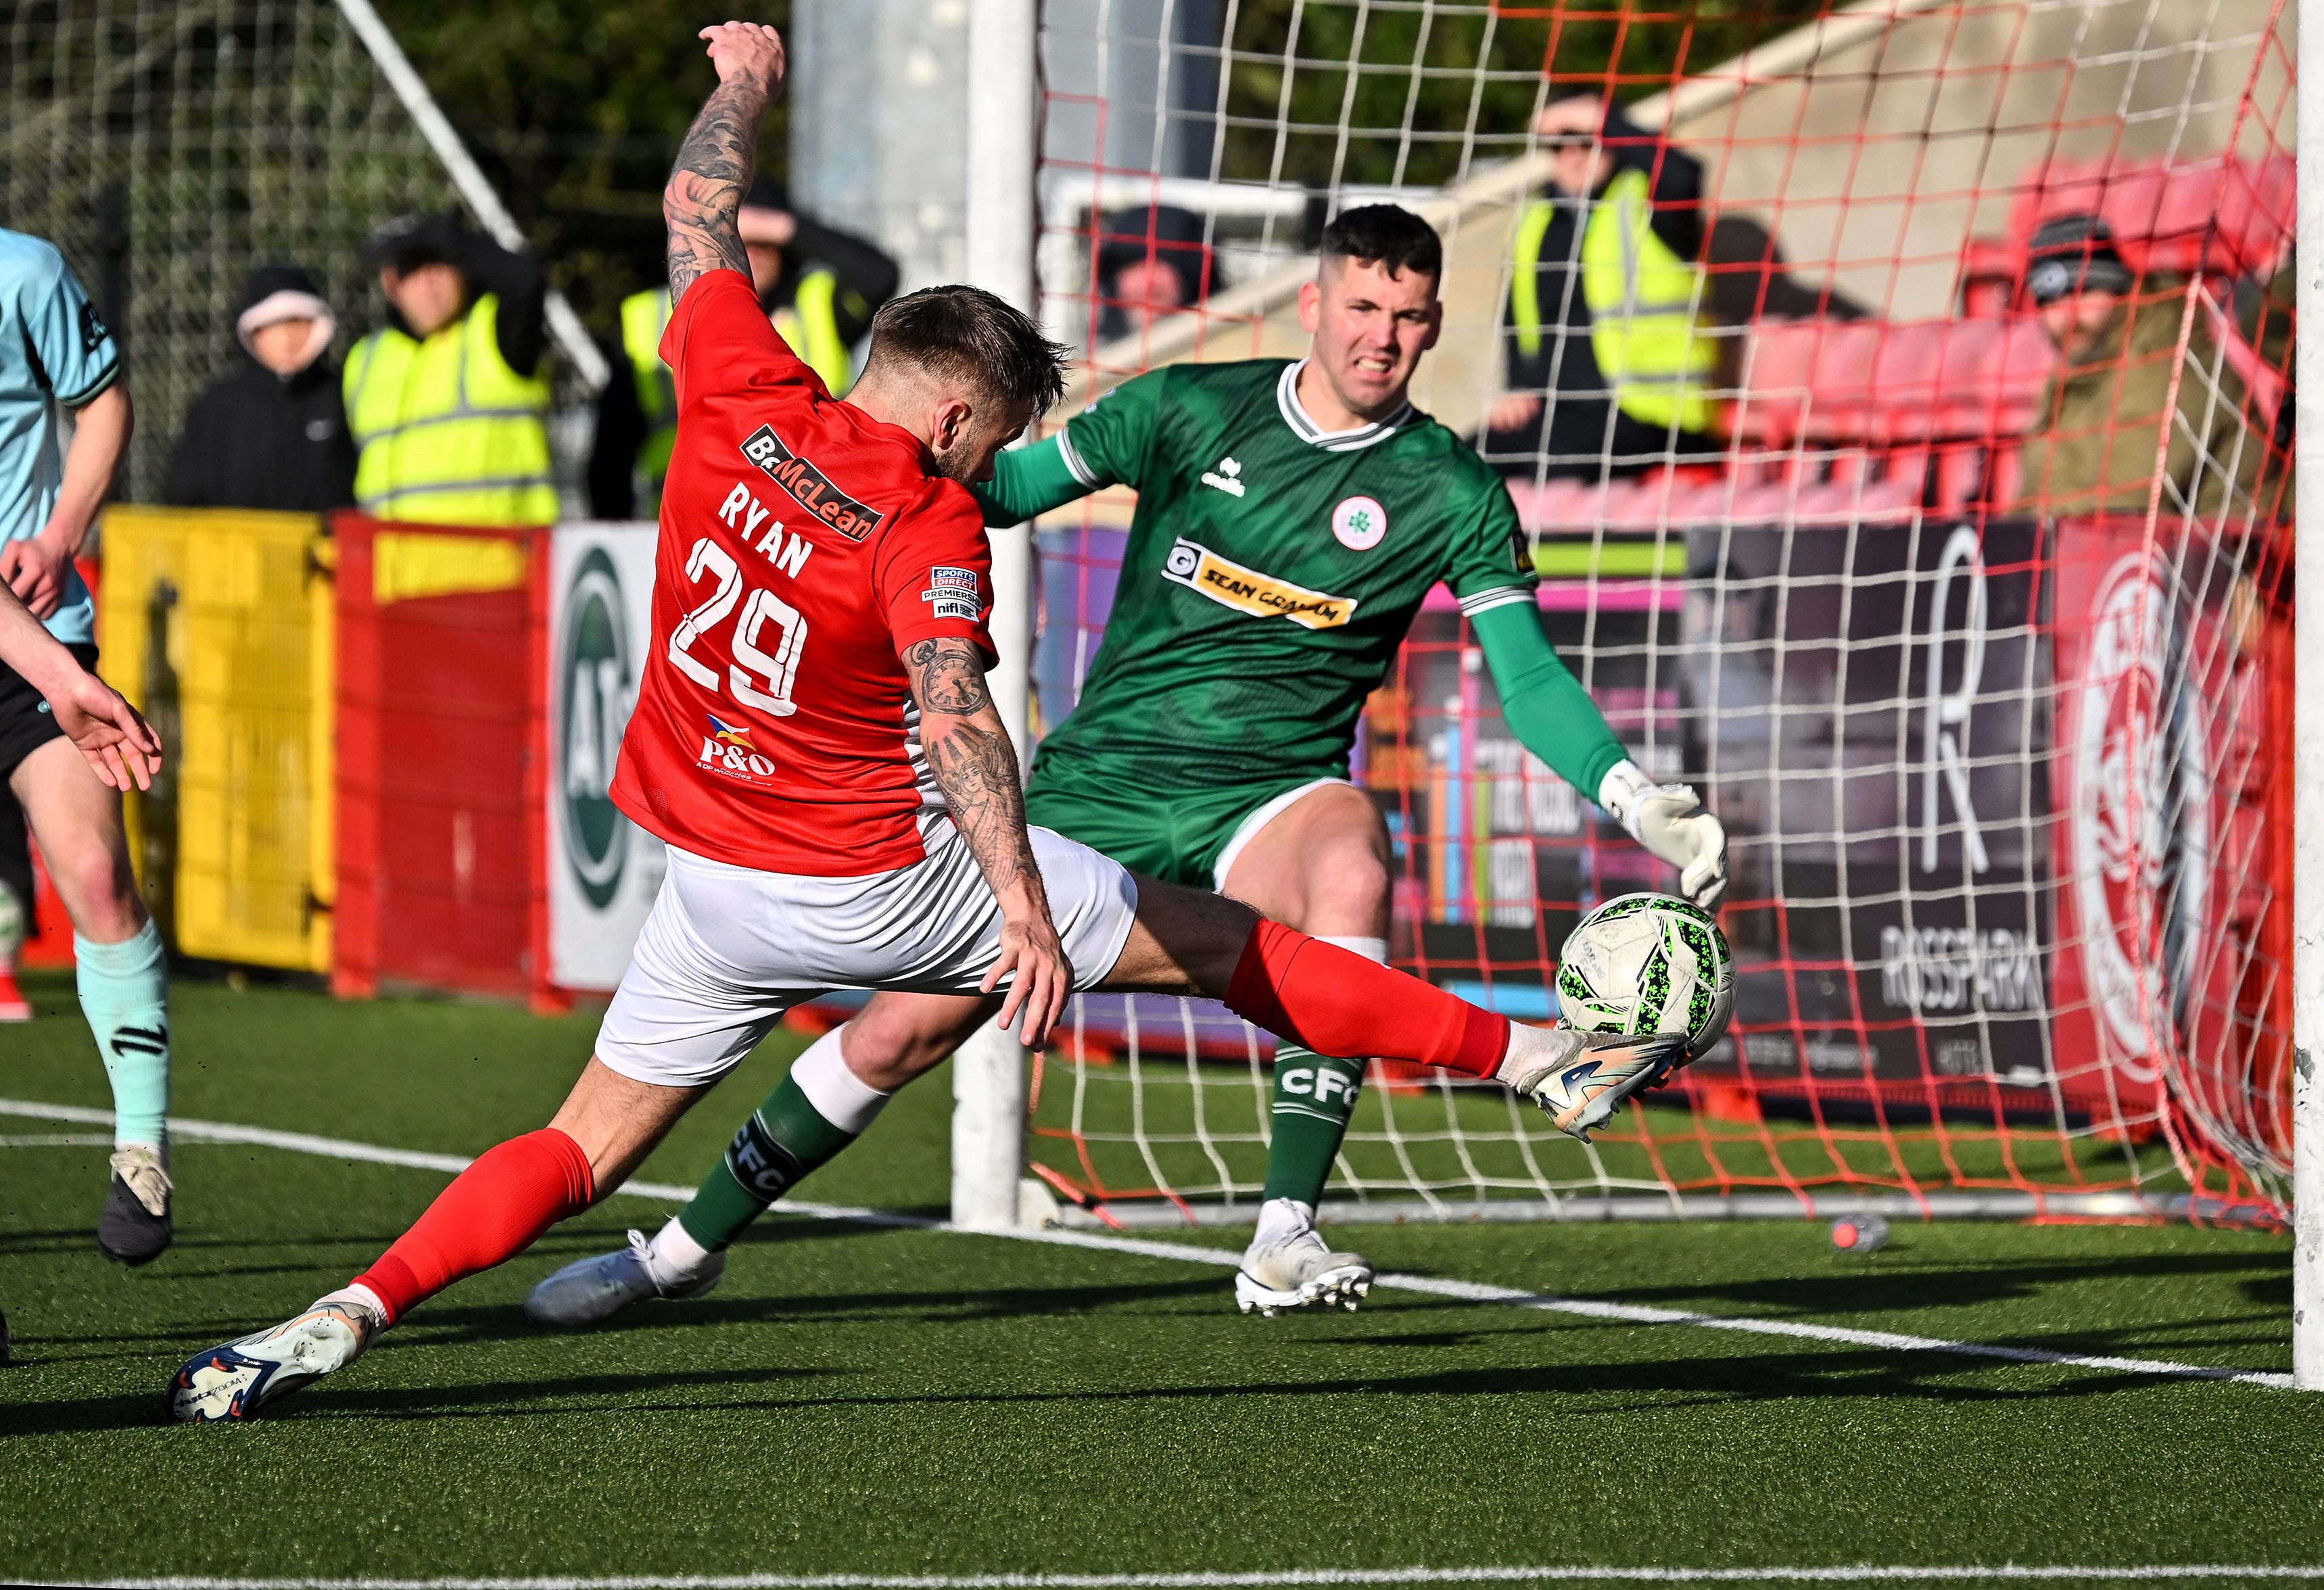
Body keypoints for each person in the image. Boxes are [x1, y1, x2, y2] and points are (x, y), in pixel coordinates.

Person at [165, 20, 1686, 1424]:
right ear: (958, 425)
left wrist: (748, 78)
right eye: (998, 437)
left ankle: (346, 1310)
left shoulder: (736, 385)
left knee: (571, 1152)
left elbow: (696, 215)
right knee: (1233, 950)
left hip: (708, 890)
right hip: (877, 875)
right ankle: (1532, 1060)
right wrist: (1021, 909)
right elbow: (958, 721)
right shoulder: (927, 529)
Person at [525, 201, 1732, 1330]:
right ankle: (677, 1253)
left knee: (1351, 863)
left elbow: (1522, 677)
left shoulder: (1452, 489)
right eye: (1362, 308)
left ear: (1434, 324)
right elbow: (992, 483)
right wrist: (847, 467)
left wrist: (1630, 794)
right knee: (901, 1034)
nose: (1384, 337)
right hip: (1102, 778)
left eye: (1410, 317)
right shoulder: (1188, 408)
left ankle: (1283, 1231)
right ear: (1310, 306)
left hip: (1273, 791)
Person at [0, 228, 176, 1262]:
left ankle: (142, 1148)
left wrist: (60, 534)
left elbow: (103, 399)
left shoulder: (24, 271)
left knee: (98, 873)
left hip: (34, 633)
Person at [589, 176, 899, 521]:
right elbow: (611, 455)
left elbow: (880, 274)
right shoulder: (650, 317)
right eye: (737, 240)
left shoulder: (816, 304)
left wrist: (783, 225)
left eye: (766, 242)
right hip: (691, 526)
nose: (755, 253)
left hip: (804, 531)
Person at [1484, 94, 1724, 480]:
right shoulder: (1537, 220)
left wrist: (1601, 115)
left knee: (1545, 464)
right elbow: (1519, 317)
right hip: (1560, 415)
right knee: (1458, 462)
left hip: (1655, 415)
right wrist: (1518, 388)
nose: (1574, 155)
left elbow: (1685, 173)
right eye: (1561, 145)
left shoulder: (1646, 203)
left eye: (1587, 141)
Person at [2012, 212, 2283, 521]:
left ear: (2118, 289)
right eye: (2051, 302)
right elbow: (2034, 502)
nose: (2069, 315)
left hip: (2223, 560)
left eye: (2083, 292)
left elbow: (2125, 508)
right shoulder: (2076, 375)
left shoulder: (2168, 362)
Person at [346, 211, 555, 525]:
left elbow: (525, 281)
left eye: (440, 267)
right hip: (394, 568)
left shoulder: (494, 334)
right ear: (391, 285)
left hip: (497, 565)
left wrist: (452, 236)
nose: (429, 284)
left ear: (464, 272)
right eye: (413, 272)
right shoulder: (364, 359)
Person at [163, 264, 358, 513]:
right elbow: (183, 496)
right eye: (273, 324)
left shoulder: (343, 396)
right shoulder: (216, 407)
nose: (287, 337)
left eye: (297, 322)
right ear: (253, 331)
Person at [1091, 203, 1219, 344]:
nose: (1147, 283)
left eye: (1160, 262)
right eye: (1134, 265)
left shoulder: (1226, 351)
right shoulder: (1092, 356)